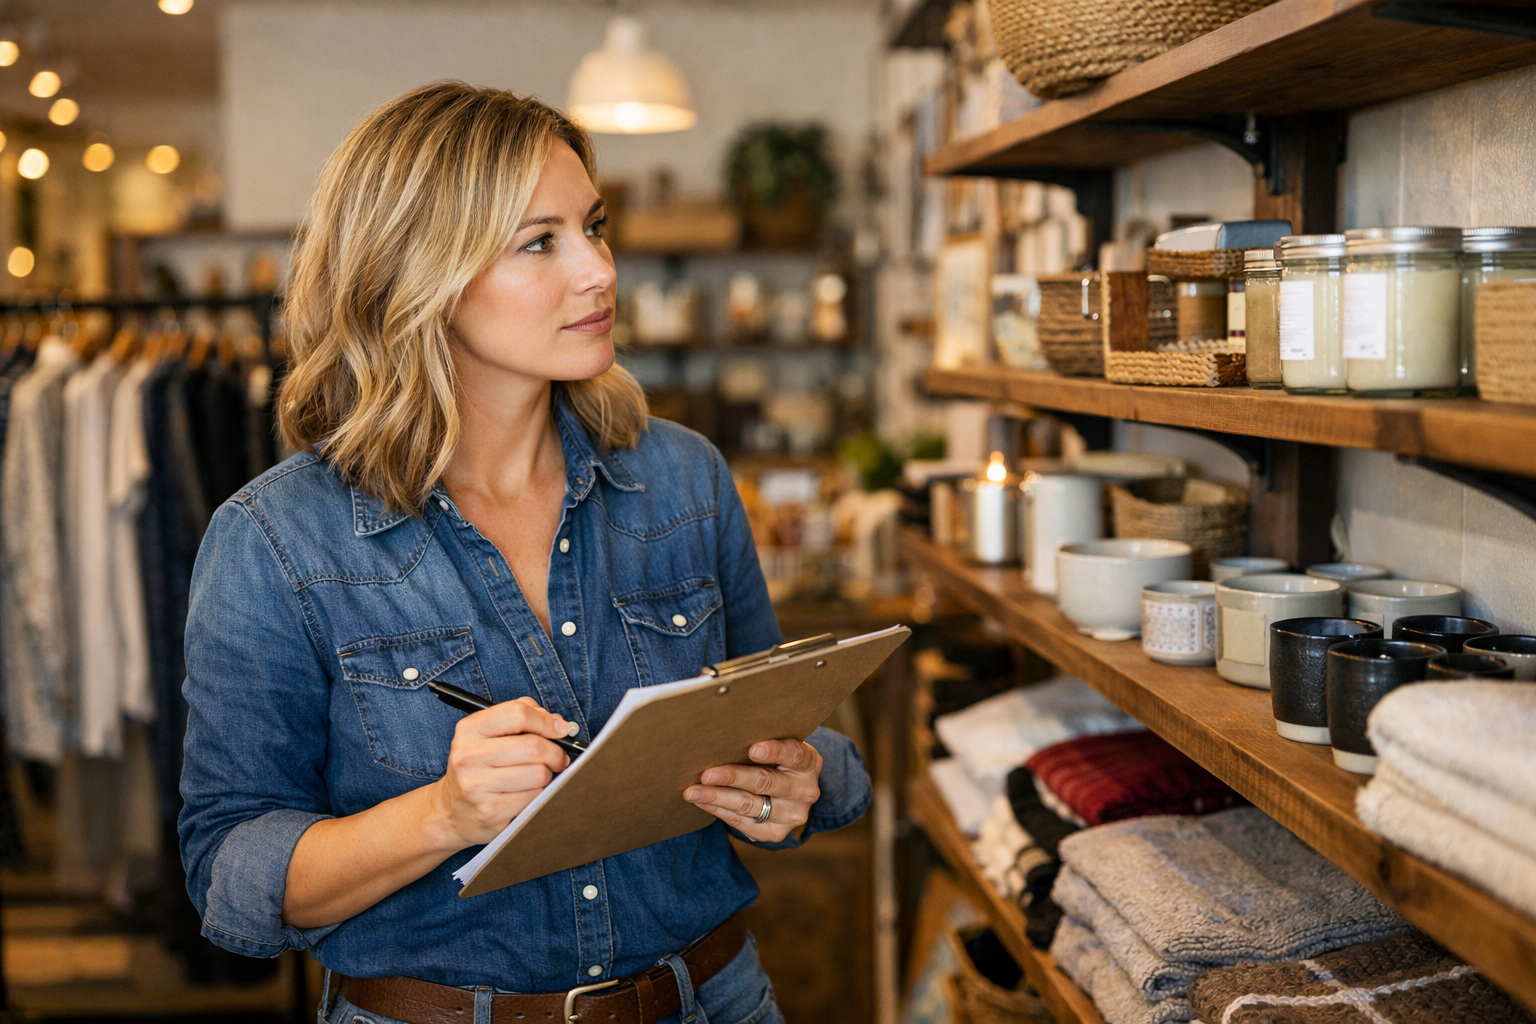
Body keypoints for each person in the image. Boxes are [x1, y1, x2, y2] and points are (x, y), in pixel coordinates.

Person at [177, 82, 871, 1024]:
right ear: (418, 273)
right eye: (539, 242)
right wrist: (445, 814)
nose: (598, 270)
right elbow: (231, 873)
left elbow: (808, 739)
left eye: (595, 225)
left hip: (715, 1001)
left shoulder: (682, 480)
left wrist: (802, 779)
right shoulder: (275, 541)